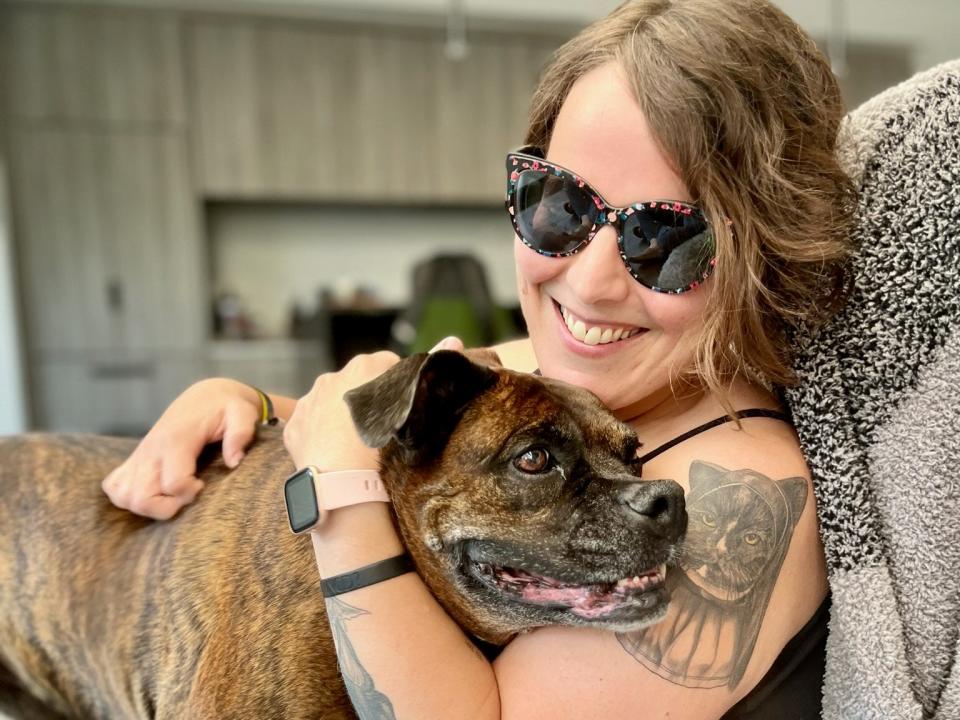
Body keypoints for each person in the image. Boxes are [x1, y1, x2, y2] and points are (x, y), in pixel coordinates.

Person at [103, 0, 857, 717]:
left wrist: (334, 493)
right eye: (560, 207)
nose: (588, 283)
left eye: (664, 241)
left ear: (767, 253)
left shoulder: (748, 492)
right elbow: (381, 417)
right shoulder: (553, 369)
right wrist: (248, 402)